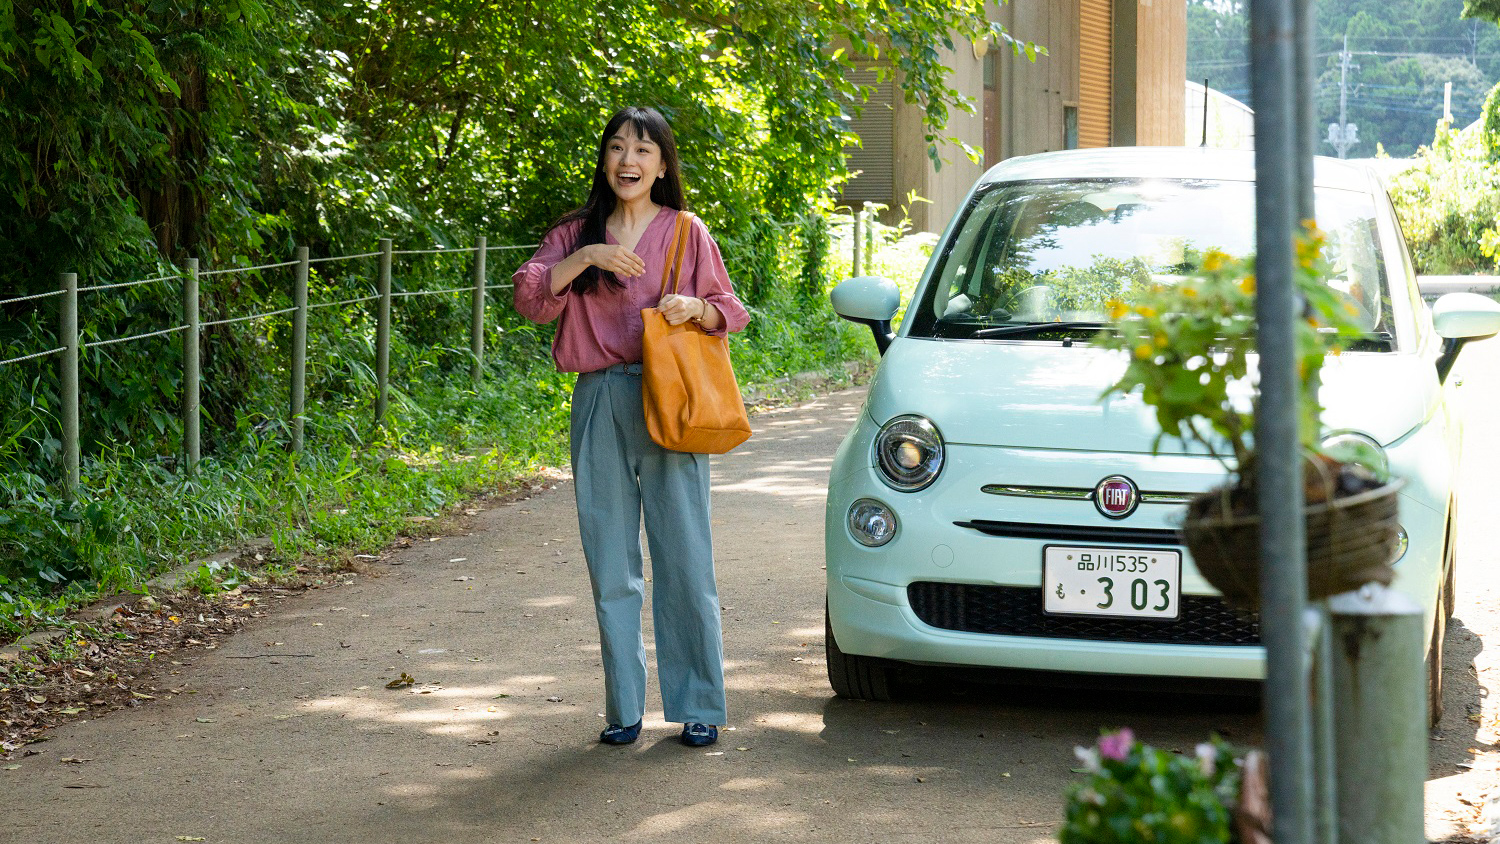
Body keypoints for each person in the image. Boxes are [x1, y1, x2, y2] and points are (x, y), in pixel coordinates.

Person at [512, 107, 749, 749]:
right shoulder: (573, 233)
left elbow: (732, 308)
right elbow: (531, 297)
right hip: (598, 400)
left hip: (671, 400)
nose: (628, 161)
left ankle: (698, 703)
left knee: (685, 556)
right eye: (617, 148)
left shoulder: (686, 231)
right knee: (609, 558)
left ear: (663, 164)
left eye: (643, 150)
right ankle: (623, 707)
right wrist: (587, 254)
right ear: (604, 159)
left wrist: (697, 308)